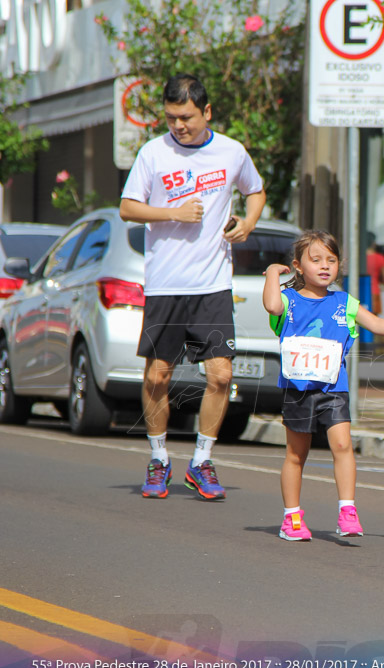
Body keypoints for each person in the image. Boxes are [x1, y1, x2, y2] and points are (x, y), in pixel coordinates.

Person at [120, 74, 267, 500]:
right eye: (170, 117)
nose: (178, 126)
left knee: (221, 375)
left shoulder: (232, 152)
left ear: (206, 112)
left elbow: (254, 192)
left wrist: (248, 223)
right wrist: (172, 212)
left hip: (212, 284)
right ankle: (159, 457)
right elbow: (128, 208)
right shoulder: (153, 153)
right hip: (166, 285)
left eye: (185, 117)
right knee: (158, 376)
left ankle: (201, 461)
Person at [263, 230, 384, 541]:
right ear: (298, 266)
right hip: (297, 389)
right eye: (316, 260)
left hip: (333, 389)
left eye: (331, 260)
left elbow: (378, 323)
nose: (325, 266)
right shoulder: (288, 300)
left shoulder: (345, 302)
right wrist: (273, 274)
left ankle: (348, 511)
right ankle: (292, 518)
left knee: (342, 446)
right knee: (296, 455)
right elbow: (272, 307)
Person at [364, 232, 384, 314]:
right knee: (374, 322)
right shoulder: (380, 258)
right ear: (373, 243)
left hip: (362, 291)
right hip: (375, 292)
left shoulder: (360, 258)